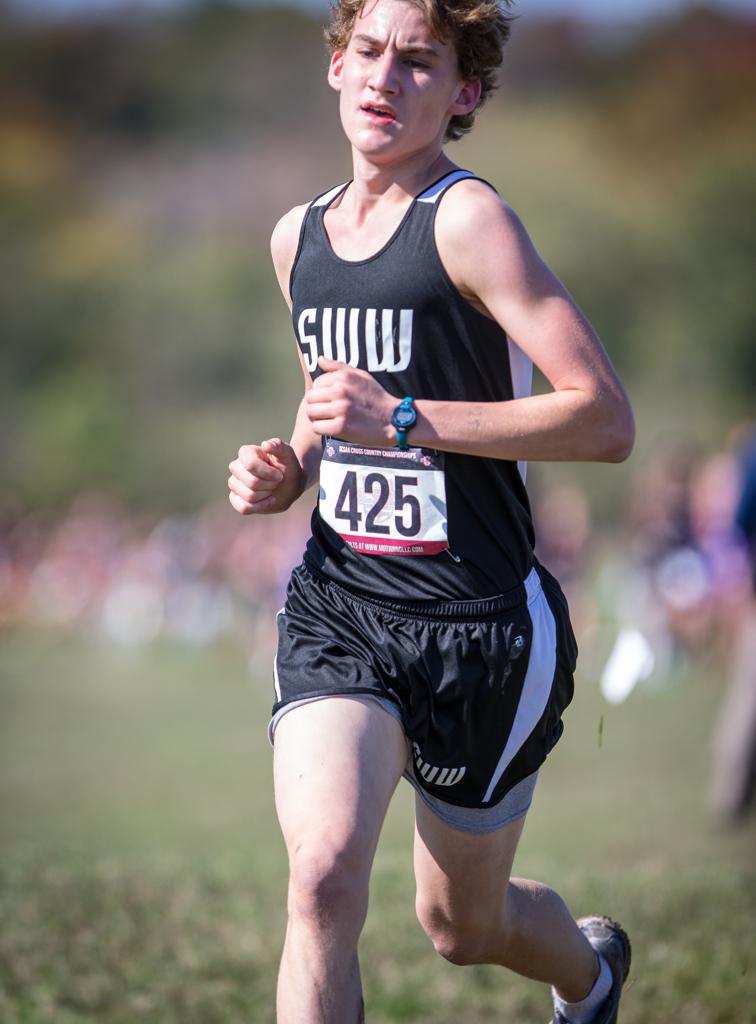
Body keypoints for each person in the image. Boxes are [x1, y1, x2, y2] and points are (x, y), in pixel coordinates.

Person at [227, 1, 636, 1021]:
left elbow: (603, 418)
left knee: (462, 927)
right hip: (343, 606)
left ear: (461, 93)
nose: (383, 77)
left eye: (417, 61)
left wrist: (403, 417)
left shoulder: (467, 220)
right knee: (321, 878)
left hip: (480, 624)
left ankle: (588, 977)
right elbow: (334, 400)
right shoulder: (298, 238)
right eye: (367, 51)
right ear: (334, 64)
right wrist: (295, 467)